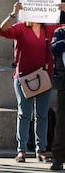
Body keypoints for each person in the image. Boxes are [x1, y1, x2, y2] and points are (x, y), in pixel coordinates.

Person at [0, 1, 65, 164]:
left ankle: (41, 150)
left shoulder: (48, 29)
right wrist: (13, 14)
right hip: (23, 77)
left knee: (42, 115)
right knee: (24, 114)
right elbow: (2, 31)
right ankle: (21, 150)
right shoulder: (20, 27)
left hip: (43, 77)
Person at [50, 25, 65, 170]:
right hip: (63, 82)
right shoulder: (60, 31)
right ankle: (58, 157)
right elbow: (54, 48)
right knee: (62, 122)